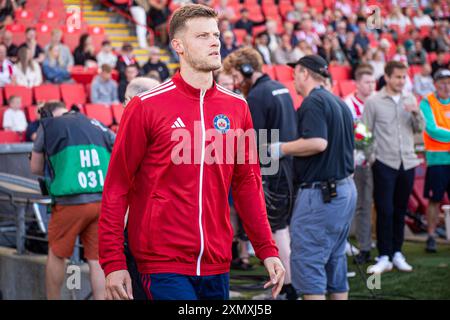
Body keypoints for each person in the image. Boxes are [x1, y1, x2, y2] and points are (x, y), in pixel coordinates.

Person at [98, 4, 284, 301]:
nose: (214, 42)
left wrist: (266, 249)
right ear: (178, 46)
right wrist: (113, 261)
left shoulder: (238, 107)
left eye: (216, 35)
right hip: (161, 260)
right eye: (202, 36)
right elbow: (117, 185)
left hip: (216, 261)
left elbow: (248, 183)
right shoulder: (145, 106)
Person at [271, 54, 356, 300]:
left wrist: (280, 148)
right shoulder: (338, 101)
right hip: (344, 189)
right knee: (334, 259)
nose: (294, 79)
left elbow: (317, 143)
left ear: (305, 73)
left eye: (296, 73)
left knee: (308, 259)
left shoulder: (313, 102)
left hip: (322, 194)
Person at [223, 47, 298, 300]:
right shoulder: (281, 88)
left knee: (276, 230)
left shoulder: (256, 96)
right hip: (286, 168)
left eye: (235, 74)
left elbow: (250, 141)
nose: (235, 81)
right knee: (283, 229)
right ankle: (289, 285)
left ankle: (286, 288)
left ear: (246, 69)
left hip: (270, 171)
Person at [30, 101, 116, 300]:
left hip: (71, 201)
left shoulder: (49, 125)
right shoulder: (95, 122)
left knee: (58, 254)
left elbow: (35, 168)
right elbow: (118, 148)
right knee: (96, 259)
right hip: (102, 199)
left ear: (48, 114)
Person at [363, 61, 424, 274]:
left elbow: (420, 129)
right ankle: (384, 255)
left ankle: (397, 252)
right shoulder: (373, 101)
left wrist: (416, 112)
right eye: (397, 77)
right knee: (384, 210)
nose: (401, 81)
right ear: (387, 77)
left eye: (403, 77)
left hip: (407, 161)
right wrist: (372, 158)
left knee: (400, 210)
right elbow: (363, 132)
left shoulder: (410, 99)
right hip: (384, 163)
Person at [344, 64, 377, 265]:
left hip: (376, 160)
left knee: (368, 205)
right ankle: (347, 243)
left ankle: (366, 245)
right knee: (353, 205)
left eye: (373, 81)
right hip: (356, 162)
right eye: (367, 82)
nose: (371, 85)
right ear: (357, 84)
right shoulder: (348, 104)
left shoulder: (377, 102)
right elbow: (353, 134)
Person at [420, 68, 450, 253]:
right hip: (437, 159)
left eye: (448, 82)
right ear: (435, 84)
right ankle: (430, 236)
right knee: (434, 200)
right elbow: (431, 129)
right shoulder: (427, 102)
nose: (446, 85)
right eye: (442, 82)